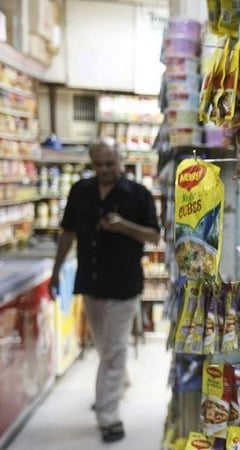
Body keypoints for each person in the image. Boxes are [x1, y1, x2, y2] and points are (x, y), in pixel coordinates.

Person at [49, 138, 161, 443]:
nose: (104, 170)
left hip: (124, 285)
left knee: (112, 351)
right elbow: (68, 233)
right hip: (91, 283)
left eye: (110, 163)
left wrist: (124, 226)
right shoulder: (80, 192)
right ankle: (118, 381)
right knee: (105, 347)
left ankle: (108, 415)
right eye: (98, 164)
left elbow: (153, 236)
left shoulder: (138, 195)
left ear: (121, 161)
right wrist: (57, 271)